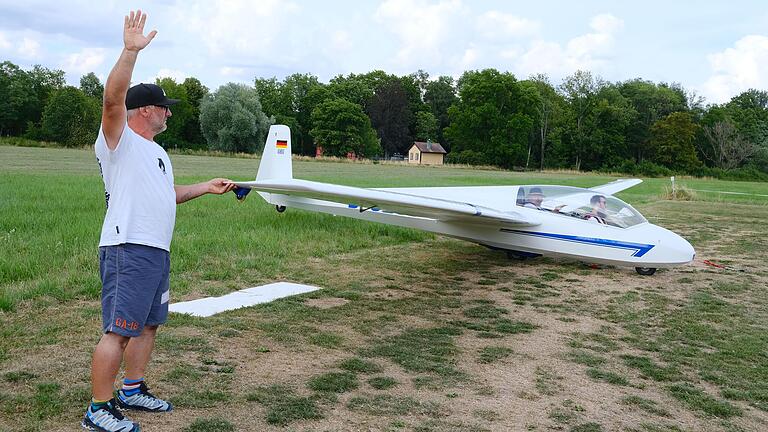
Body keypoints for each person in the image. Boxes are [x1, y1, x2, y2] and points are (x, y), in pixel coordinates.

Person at [83, 10, 235, 432]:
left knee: (148, 325)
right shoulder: (118, 140)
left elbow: (166, 197)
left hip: (155, 250)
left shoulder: (158, 154)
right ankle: (98, 408)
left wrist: (204, 187)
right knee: (119, 330)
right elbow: (112, 100)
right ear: (147, 109)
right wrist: (130, 52)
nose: (169, 114)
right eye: (165, 108)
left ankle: (132, 389)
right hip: (127, 246)